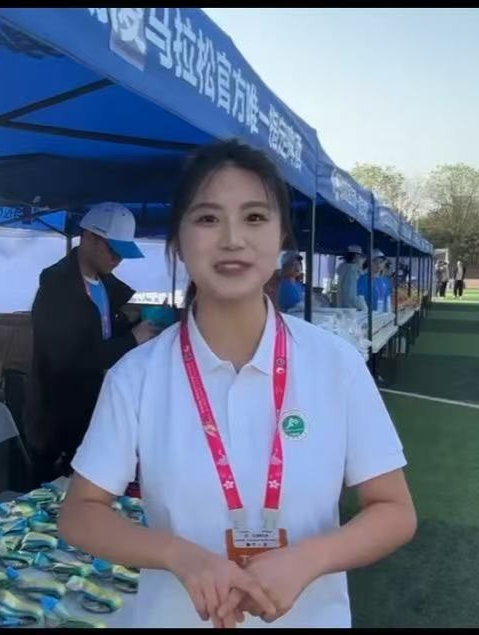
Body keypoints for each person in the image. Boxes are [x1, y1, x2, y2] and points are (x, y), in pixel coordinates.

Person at [58, 140, 417, 628]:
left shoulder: (336, 365)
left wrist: (309, 559)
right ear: (178, 240)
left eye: (254, 217)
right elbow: (81, 511)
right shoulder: (136, 376)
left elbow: (393, 509)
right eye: (207, 218)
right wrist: (178, 555)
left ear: (281, 236)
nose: (232, 239)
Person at [25, 202, 160, 483]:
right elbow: (67, 359)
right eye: (113, 250)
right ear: (89, 237)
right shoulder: (56, 289)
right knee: (55, 496)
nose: (118, 259)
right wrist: (132, 339)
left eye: (122, 253)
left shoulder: (103, 286)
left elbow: (102, 336)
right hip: (59, 419)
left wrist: (132, 325)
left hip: (92, 410)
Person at [336, 245, 367, 310]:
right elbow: (351, 293)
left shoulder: (345, 268)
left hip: (343, 305)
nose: (363, 260)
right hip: (352, 307)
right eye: (361, 257)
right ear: (356, 256)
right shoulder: (351, 270)